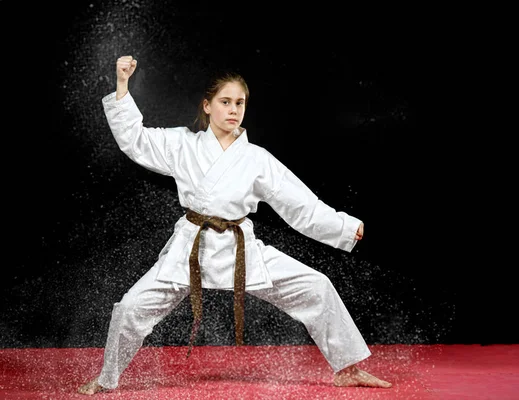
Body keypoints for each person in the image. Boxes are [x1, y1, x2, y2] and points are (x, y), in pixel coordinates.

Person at [78, 55, 392, 395]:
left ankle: (347, 368)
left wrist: (342, 227)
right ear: (207, 106)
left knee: (316, 286)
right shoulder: (183, 145)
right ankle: (107, 378)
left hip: (240, 247)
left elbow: (299, 204)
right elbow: (135, 140)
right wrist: (122, 83)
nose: (233, 110)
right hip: (191, 250)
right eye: (225, 102)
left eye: (239, 103)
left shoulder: (256, 159)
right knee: (130, 308)